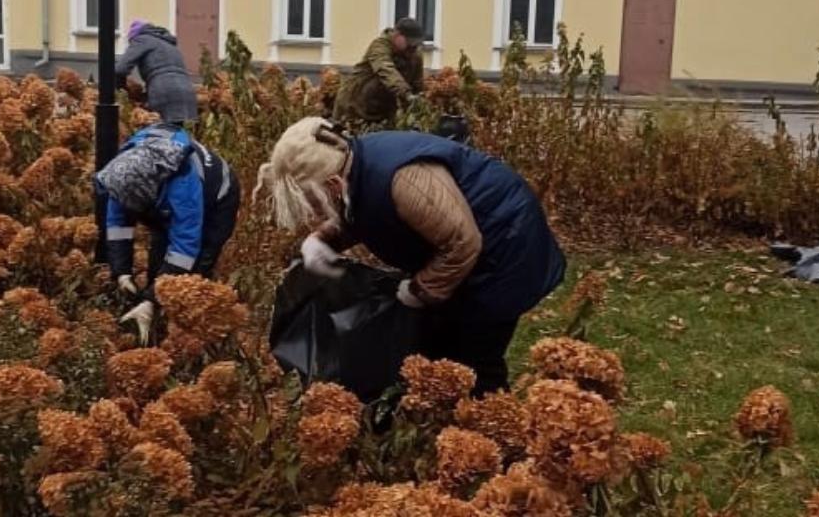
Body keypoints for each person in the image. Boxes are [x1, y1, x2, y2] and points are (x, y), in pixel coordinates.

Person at [255, 117, 566, 395]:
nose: (313, 210)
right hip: (468, 246)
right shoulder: (355, 165)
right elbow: (364, 210)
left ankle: (497, 433)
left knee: (474, 356)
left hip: (507, 248)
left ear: (334, 184)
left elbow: (462, 243)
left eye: (314, 199)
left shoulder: (403, 180)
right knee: (437, 343)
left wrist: (419, 291)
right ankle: (445, 426)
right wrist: (324, 239)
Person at [97, 123, 239, 341]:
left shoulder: (183, 190)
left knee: (194, 270)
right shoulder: (124, 175)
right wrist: (121, 271)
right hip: (162, 200)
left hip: (217, 201)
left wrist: (152, 299)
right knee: (159, 260)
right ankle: (153, 326)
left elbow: (184, 248)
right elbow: (117, 224)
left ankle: (189, 336)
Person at [333, 18, 426, 128]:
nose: (413, 47)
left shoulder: (415, 56)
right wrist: (406, 93)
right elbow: (385, 69)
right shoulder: (380, 46)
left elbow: (417, 84)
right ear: (397, 35)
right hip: (354, 105)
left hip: (382, 111)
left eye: (416, 44)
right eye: (409, 43)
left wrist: (418, 104)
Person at [115, 21, 198, 125]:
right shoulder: (169, 44)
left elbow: (120, 69)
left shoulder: (141, 40)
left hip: (164, 93)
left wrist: (122, 90)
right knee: (179, 135)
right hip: (187, 93)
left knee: (160, 134)